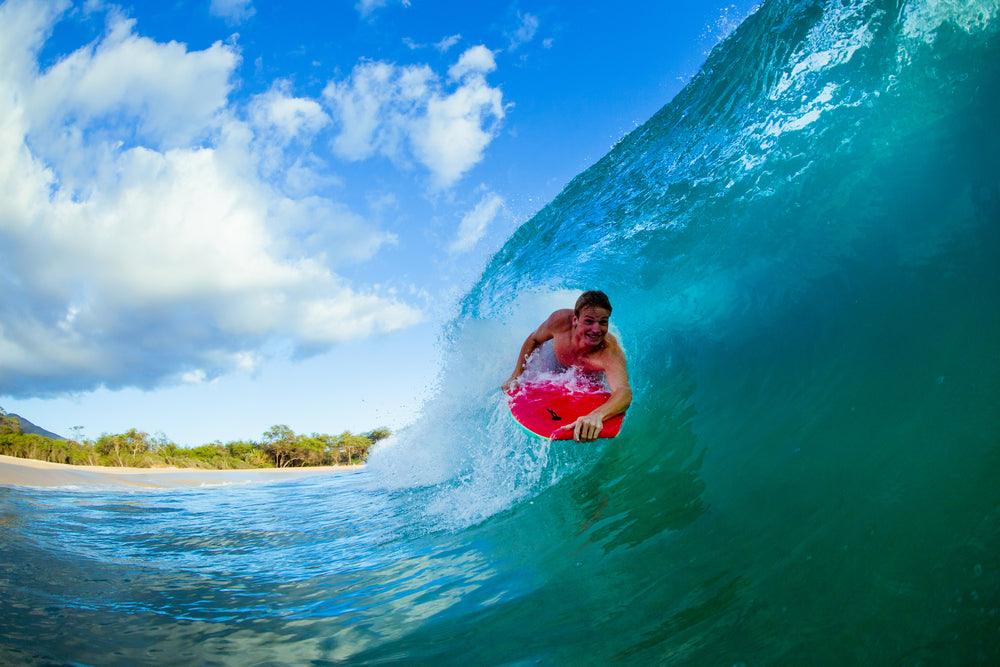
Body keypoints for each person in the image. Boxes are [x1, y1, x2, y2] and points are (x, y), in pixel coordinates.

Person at [502, 290, 632, 442]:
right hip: (556, 363)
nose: (596, 329)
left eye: (603, 322)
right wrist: (516, 375)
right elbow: (534, 339)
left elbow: (623, 392)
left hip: (587, 380)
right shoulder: (560, 322)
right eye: (589, 321)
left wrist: (597, 415)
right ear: (575, 320)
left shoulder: (610, 353)